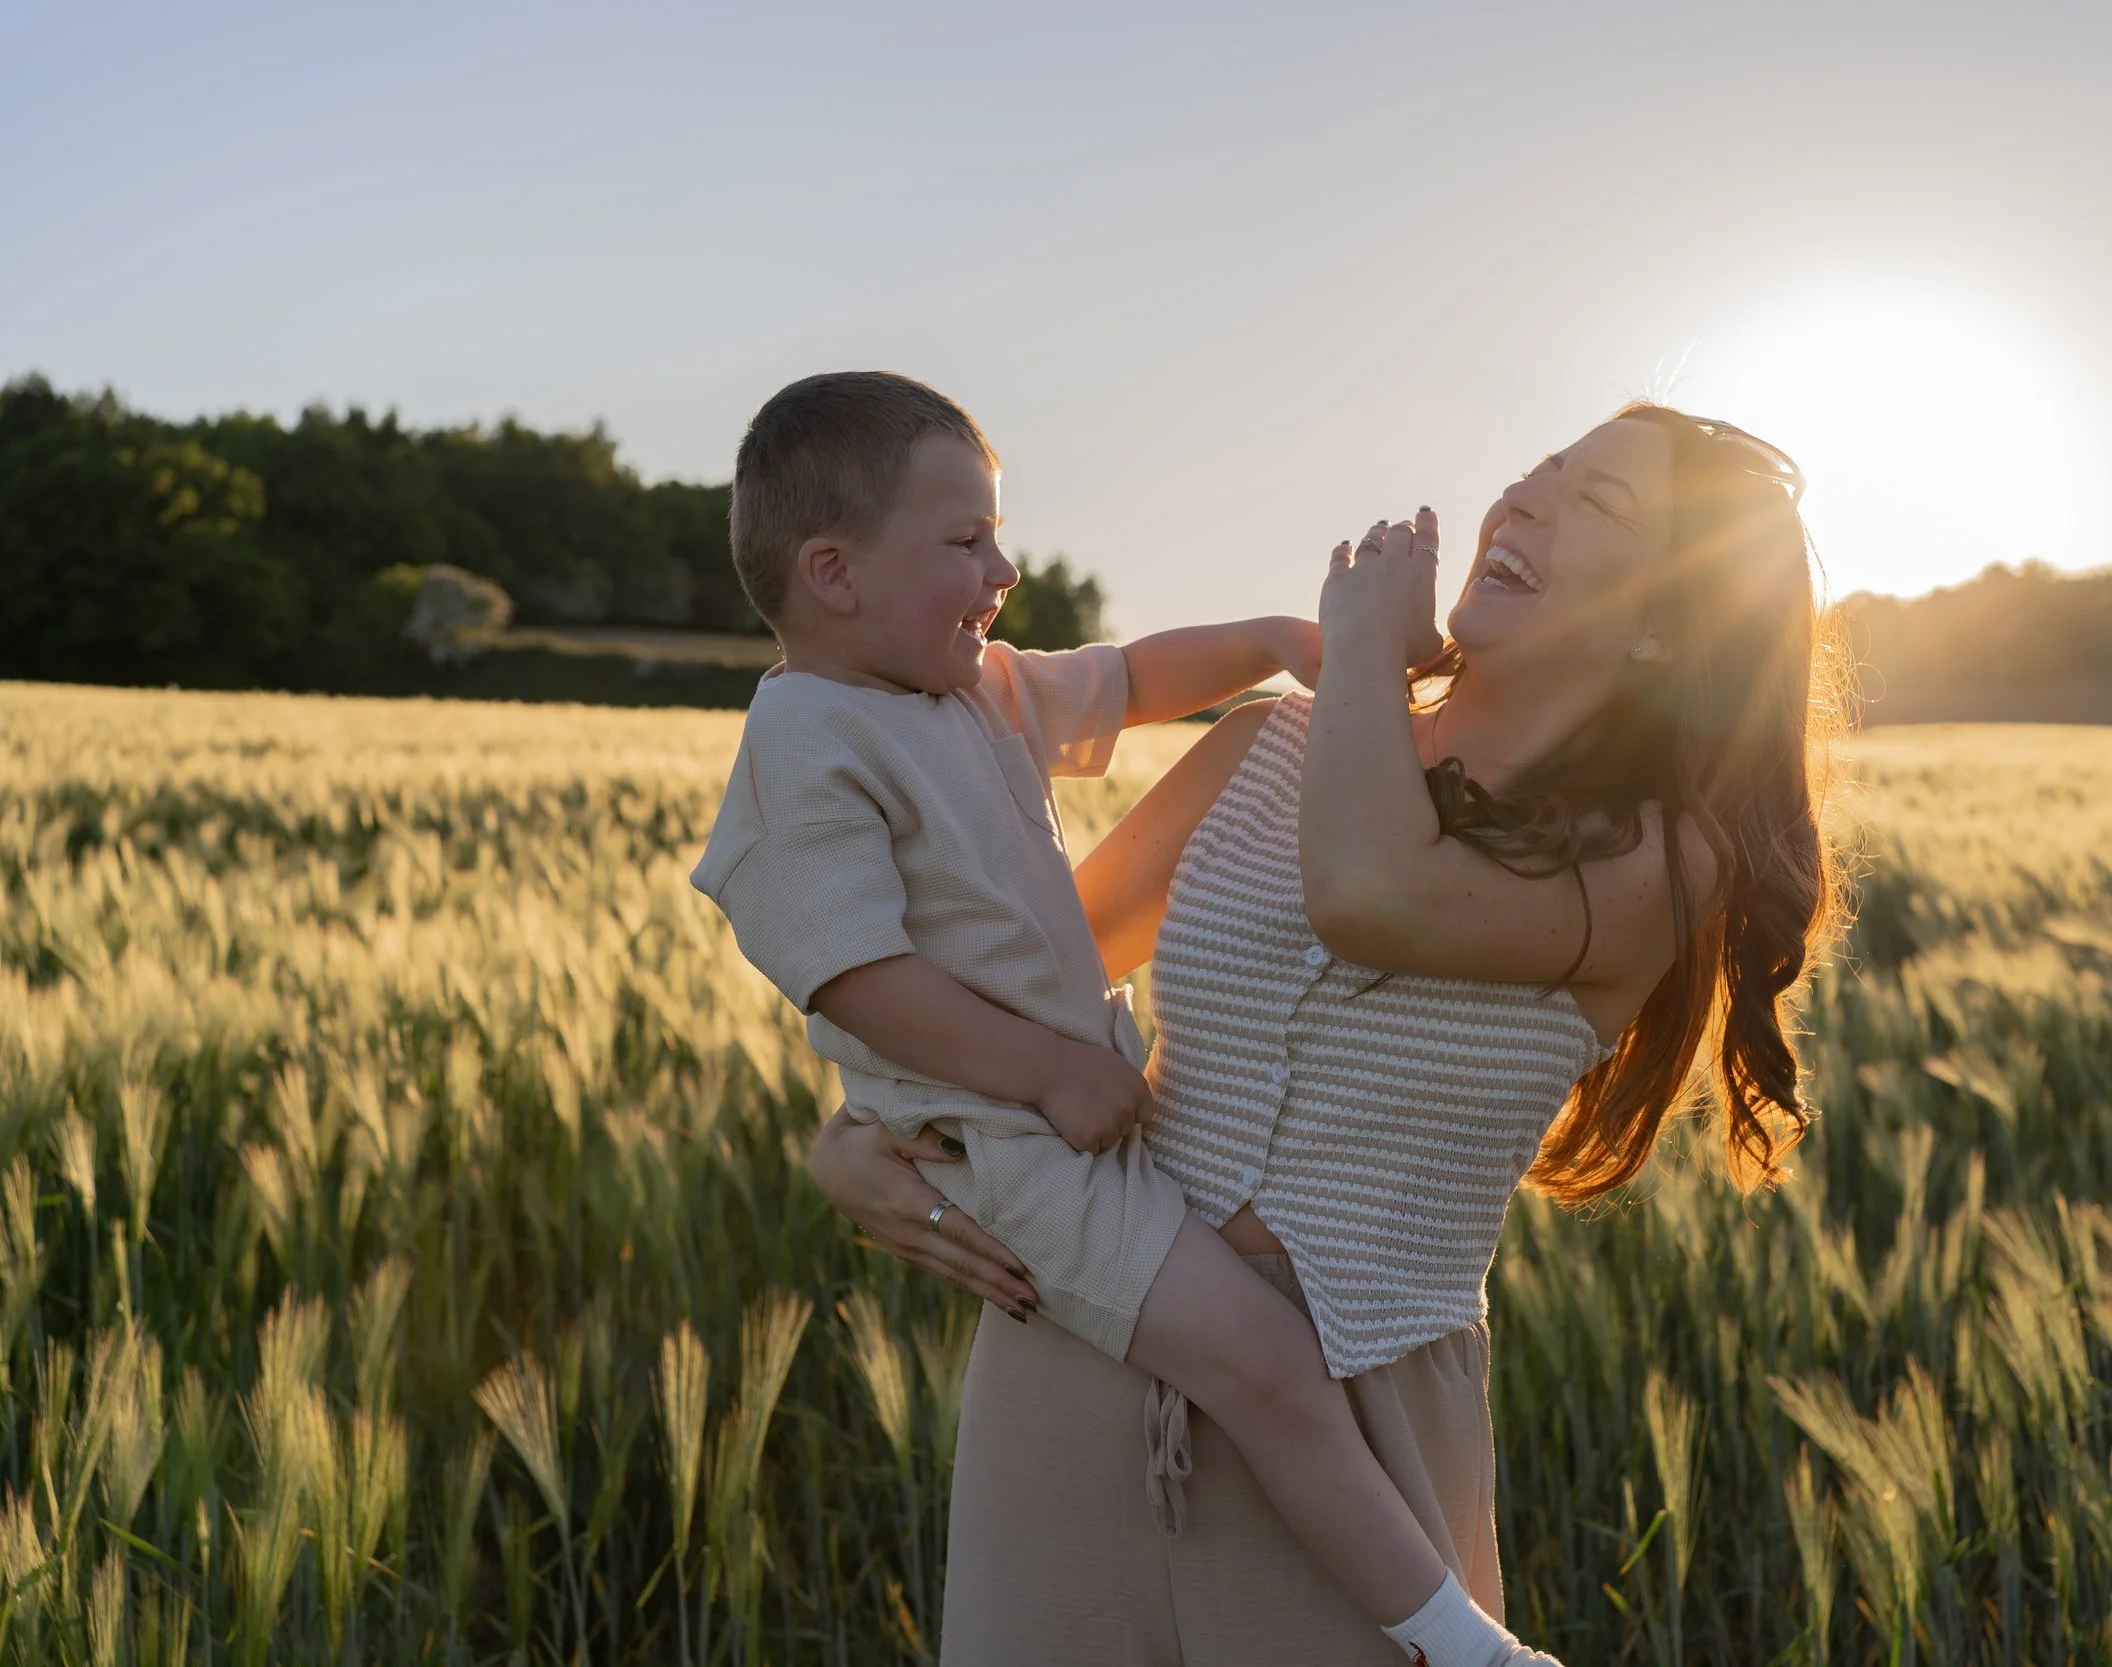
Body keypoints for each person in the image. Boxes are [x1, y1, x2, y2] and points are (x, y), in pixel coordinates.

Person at [814, 402, 1850, 1663]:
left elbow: (1370, 895)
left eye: (1599, 504)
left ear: (1658, 627)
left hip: (1357, 1423)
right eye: (1535, 473)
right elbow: (1011, 989)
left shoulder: (1660, 862)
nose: (1521, 500)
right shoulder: (1259, 744)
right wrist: (855, 1138)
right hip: (1073, 1350)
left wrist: (1358, 642)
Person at [693, 372, 1565, 1667]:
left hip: (1055, 1114)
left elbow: (1133, 673)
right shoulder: (806, 737)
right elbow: (853, 975)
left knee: (1264, 1367)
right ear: (834, 571)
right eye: (966, 540)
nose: (1005, 564)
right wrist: (1046, 1066)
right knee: (1269, 1361)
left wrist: (1279, 636)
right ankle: (1469, 1646)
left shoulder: (968, 688)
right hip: (1007, 1135)